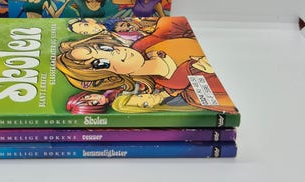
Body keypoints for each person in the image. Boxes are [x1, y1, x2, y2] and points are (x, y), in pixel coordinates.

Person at [56, 16, 236, 113]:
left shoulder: (148, 41)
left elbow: (177, 24)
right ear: (110, 76)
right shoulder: (190, 94)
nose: (114, 52)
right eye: (101, 63)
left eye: (104, 48)